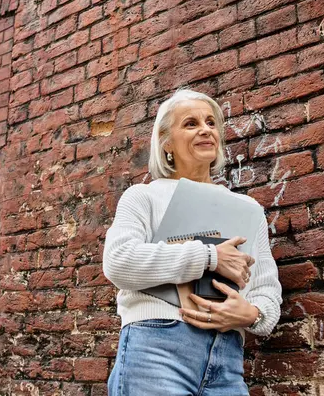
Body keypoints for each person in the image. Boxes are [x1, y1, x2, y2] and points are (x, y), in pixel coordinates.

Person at [102, 88, 283, 395]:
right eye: (190, 123)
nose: (205, 129)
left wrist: (252, 315)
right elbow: (119, 261)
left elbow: (267, 289)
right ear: (166, 142)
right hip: (156, 350)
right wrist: (209, 258)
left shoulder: (249, 209)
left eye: (211, 123)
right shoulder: (143, 196)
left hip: (227, 358)